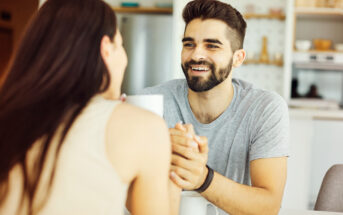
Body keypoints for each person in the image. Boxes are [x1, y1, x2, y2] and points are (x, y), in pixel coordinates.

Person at [0, 0, 180, 214]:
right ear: (106, 49)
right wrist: (174, 176)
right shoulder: (144, 127)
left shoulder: (9, 115)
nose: (124, 58)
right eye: (120, 44)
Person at [140, 0, 290, 214]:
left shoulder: (265, 108)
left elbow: (268, 206)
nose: (196, 55)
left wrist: (202, 178)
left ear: (238, 58)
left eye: (212, 45)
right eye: (189, 44)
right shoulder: (151, 102)